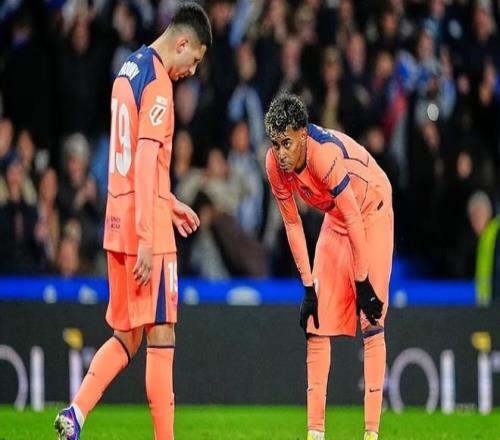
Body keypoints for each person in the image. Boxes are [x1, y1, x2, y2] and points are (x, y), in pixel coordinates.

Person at [53, 3, 212, 440]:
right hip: (146, 230)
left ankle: (76, 412)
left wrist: (168, 200)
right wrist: (147, 232)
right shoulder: (158, 84)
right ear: (182, 43)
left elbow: (130, 162)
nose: (193, 70)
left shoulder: (128, 68)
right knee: (161, 336)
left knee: (127, 334)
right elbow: (143, 159)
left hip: (117, 220)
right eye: (195, 58)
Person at [264, 92, 393, 440]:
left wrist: (362, 281)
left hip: (371, 209)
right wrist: (308, 286)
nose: (281, 153)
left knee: (372, 319)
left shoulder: (324, 155)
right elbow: (292, 223)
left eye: (287, 143)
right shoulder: (274, 165)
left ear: (303, 135)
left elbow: (354, 216)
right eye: (275, 144)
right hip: (338, 217)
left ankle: (371, 433)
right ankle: (315, 433)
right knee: (315, 321)